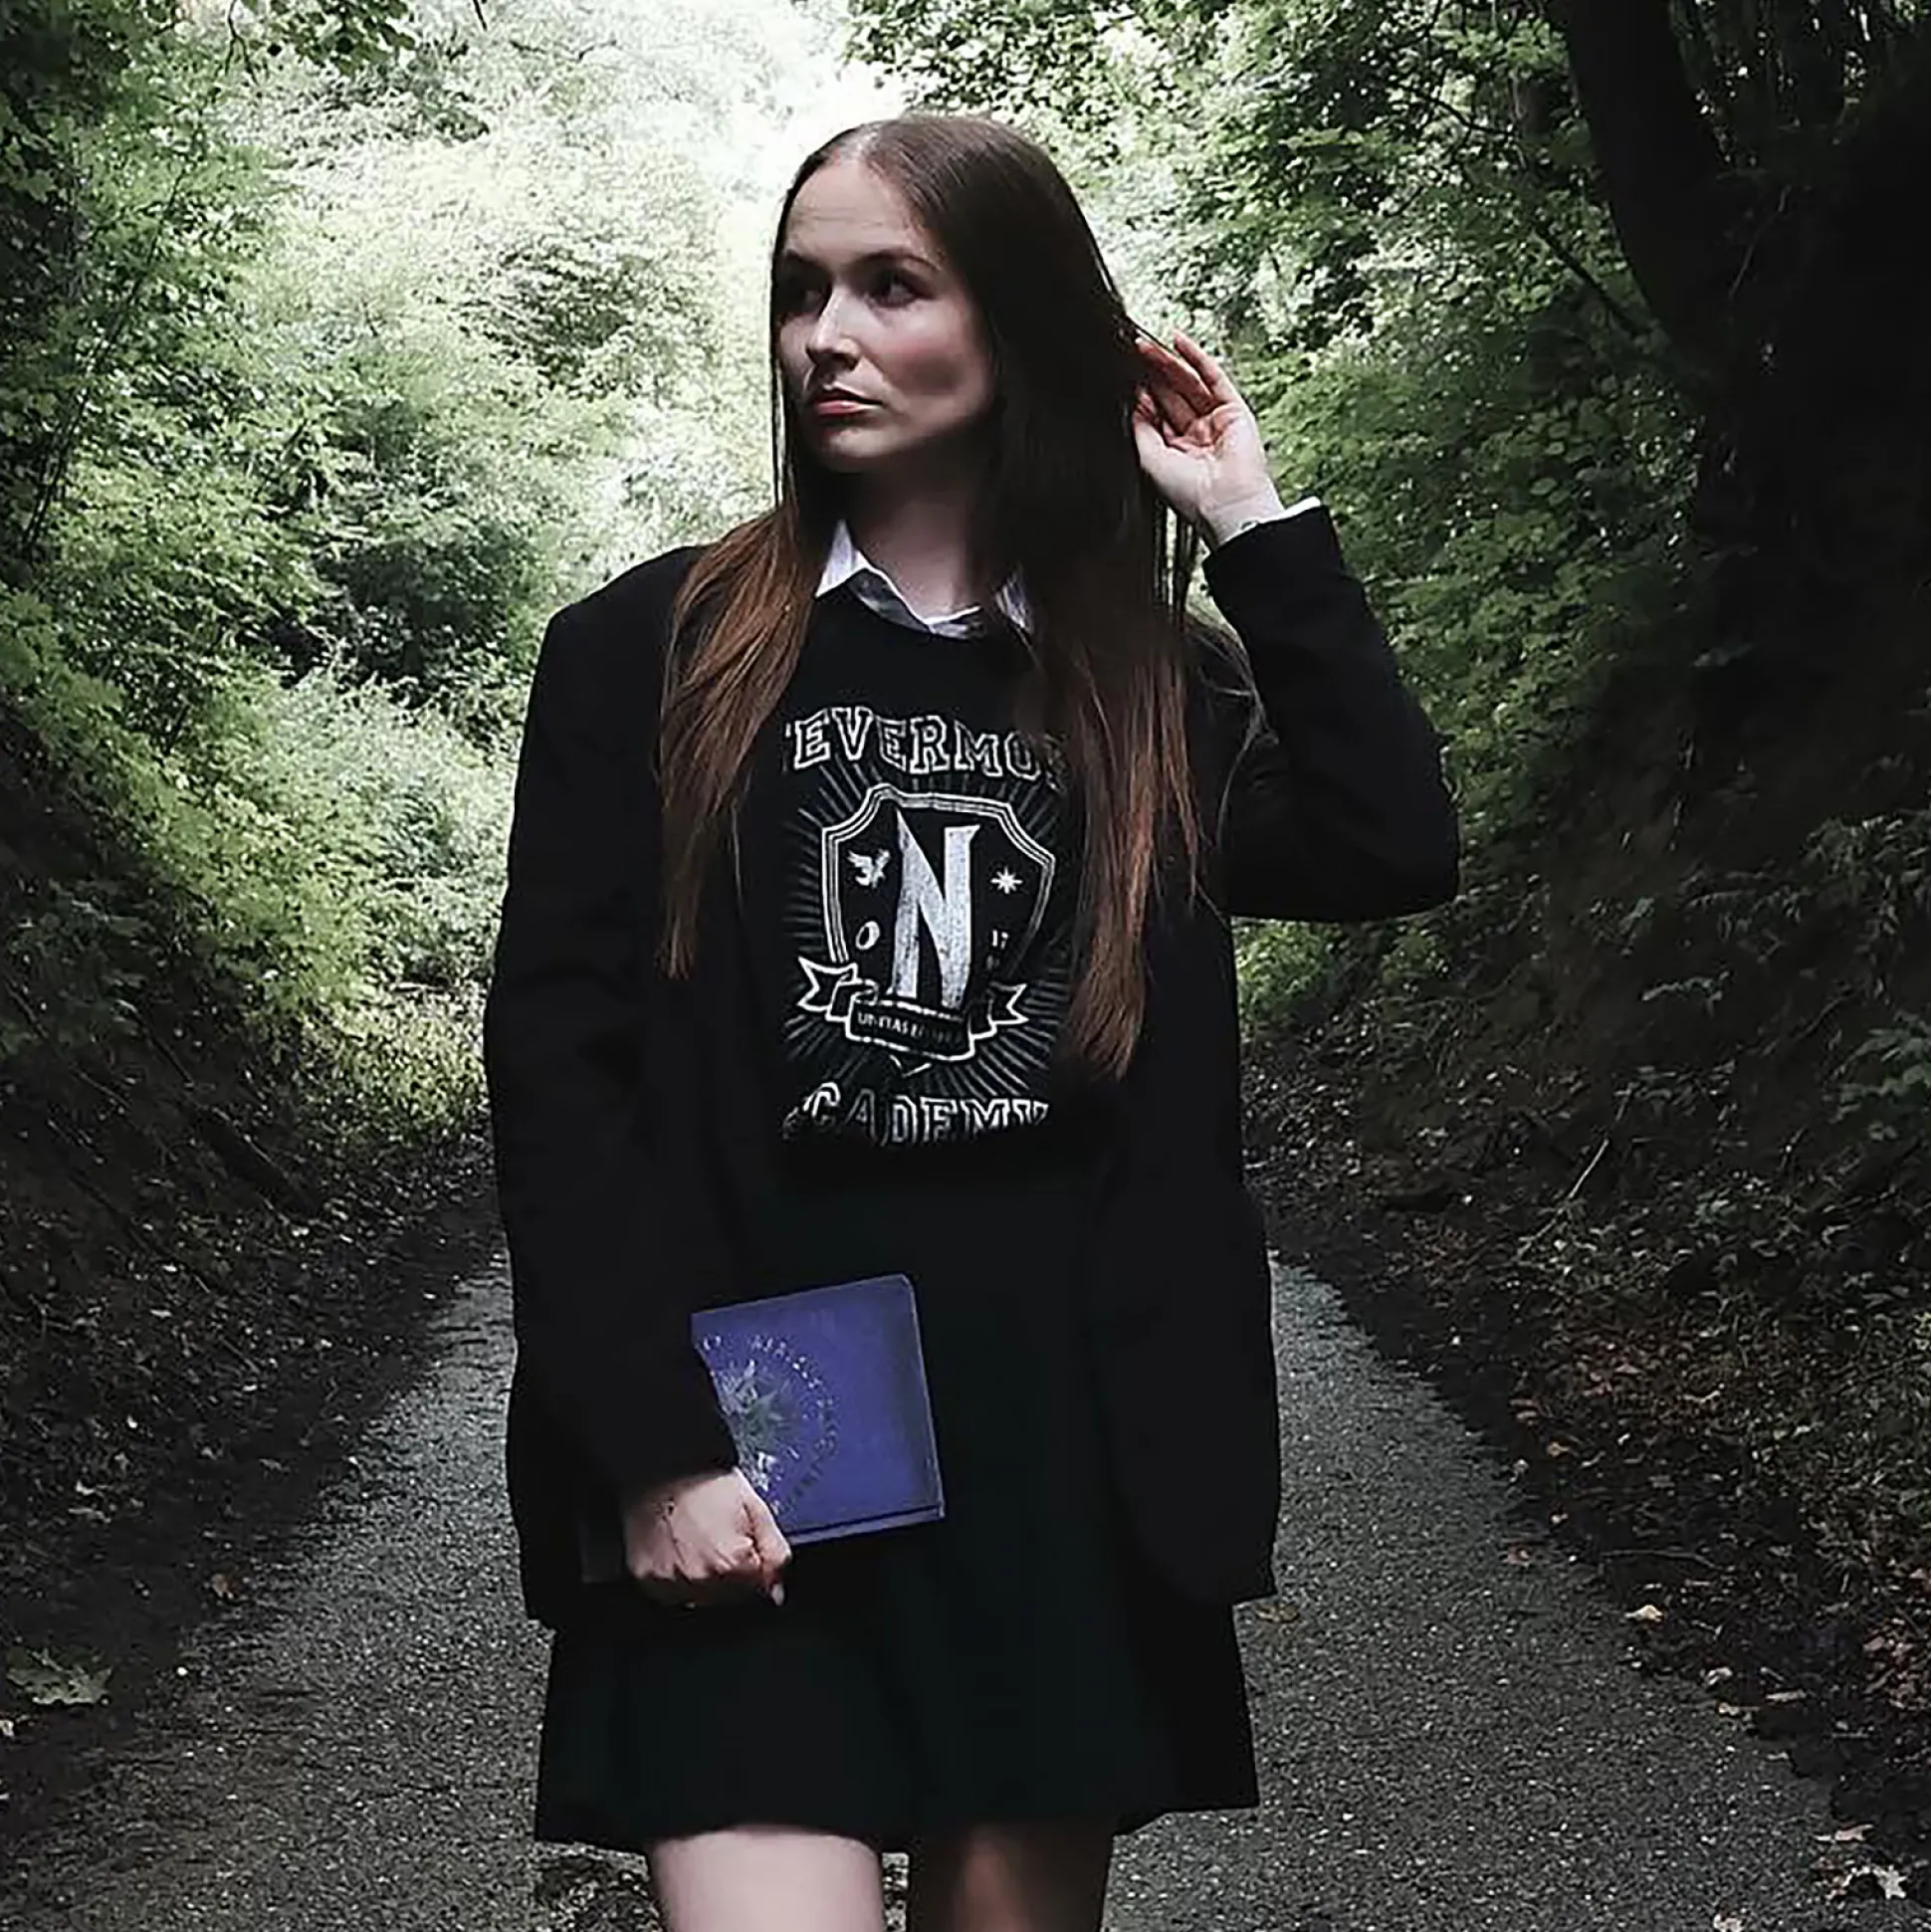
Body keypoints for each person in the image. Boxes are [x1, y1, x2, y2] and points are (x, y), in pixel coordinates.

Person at [484, 111, 1458, 1932]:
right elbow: (559, 1076)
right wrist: (657, 1444)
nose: (826, 338)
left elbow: (1391, 845)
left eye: (891, 286)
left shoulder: (1147, 680)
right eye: (802, 292)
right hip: (762, 1429)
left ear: (1016, 323)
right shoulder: (650, 650)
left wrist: (1251, 526)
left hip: (1053, 1444)